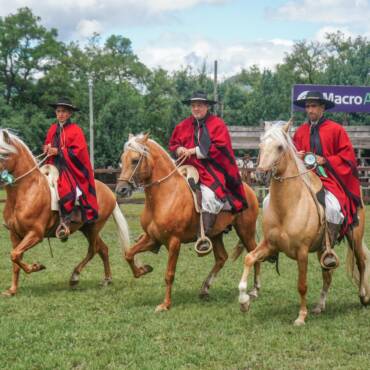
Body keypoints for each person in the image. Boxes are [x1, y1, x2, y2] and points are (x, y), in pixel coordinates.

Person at [169, 91, 247, 251]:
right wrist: (179, 150)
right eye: (193, 105)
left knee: (209, 198)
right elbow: (173, 144)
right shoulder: (182, 126)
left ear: (207, 106)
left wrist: (193, 151)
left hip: (211, 171)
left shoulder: (217, 125)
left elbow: (220, 148)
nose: (196, 108)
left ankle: (202, 237)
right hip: (185, 168)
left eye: (200, 105)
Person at [292, 91, 361, 268]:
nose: (310, 110)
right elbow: (291, 156)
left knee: (333, 207)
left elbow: (347, 157)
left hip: (329, 178)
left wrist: (326, 160)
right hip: (305, 178)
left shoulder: (336, 129)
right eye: (307, 106)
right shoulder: (300, 132)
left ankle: (328, 246)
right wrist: (296, 155)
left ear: (322, 108)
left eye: (313, 106)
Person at [43, 97, 98, 240]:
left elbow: (78, 152)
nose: (60, 114)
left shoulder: (76, 130)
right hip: (52, 164)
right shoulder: (52, 128)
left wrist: (59, 152)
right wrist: (47, 148)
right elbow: (47, 144)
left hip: (69, 168)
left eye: (64, 111)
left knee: (65, 188)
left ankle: (65, 222)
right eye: (58, 111)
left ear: (69, 114)